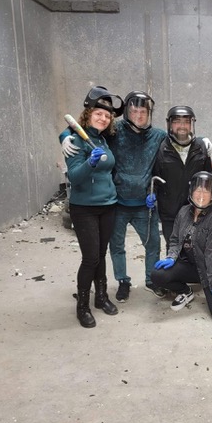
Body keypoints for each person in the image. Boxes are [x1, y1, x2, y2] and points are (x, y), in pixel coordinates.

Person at [62, 90, 168, 303]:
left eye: (143, 111)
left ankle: (151, 280)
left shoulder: (158, 136)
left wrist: (201, 141)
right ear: (127, 112)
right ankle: (123, 281)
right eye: (134, 110)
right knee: (116, 246)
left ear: (149, 114)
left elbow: (179, 140)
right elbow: (85, 129)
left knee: (153, 244)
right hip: (117, 203)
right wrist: (64, 136)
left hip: (144, 205)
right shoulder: (114, 131)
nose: (139, 115)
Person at [65, 87, 124, 328]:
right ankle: (82, 306)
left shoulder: (103, 139)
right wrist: (89, 163)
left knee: (100, 254)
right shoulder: (74, 140)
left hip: (108, 205)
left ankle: (101, 297)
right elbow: (74, 177)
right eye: (98, 113)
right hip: (84, 208)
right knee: (90, 258)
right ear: (88, 114)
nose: (103, 118)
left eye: (107, 115)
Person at [151, 171, 212, 322]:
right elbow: (175, 239)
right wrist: (171, 257)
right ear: (191, 192)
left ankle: (209, 286)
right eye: (198, 190)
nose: (201, 195)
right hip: (189, 266)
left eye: (206, 191)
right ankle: (185, 291)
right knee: (157, 275)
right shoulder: (183, 212)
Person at [151, 105, 212, 251]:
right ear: (170, 124)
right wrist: (151, 194)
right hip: (170, 213)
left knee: (195, 249)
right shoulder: (161, 148)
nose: (182, 126)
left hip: (196, 211)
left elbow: (209, 178)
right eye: (177, 122)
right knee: (174, 249)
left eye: (186, 122)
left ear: (192, 124)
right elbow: (154, 177)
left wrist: (207, 206)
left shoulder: (201, 148)